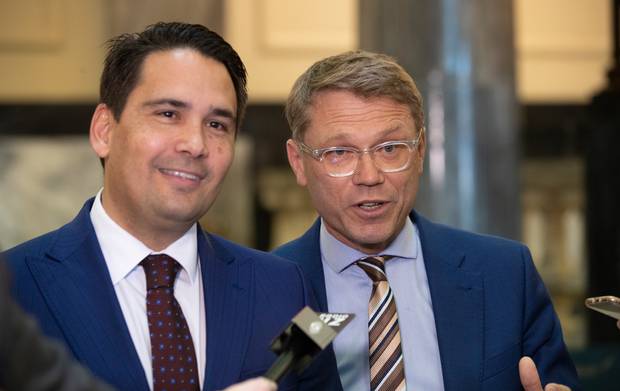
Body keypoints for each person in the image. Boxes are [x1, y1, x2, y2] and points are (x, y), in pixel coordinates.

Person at [2, 22, 321, 391]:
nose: (195, 143)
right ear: (105, 130)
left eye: (217, 124)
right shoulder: (17, 287)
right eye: (169, 114)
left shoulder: (283, 288)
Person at [273, 50, 580, 390]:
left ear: (420, 152)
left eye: (390, 148)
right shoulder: (262, 290)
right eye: (339, 153)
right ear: (298, 162)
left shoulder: (504, 275)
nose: (369, 175)